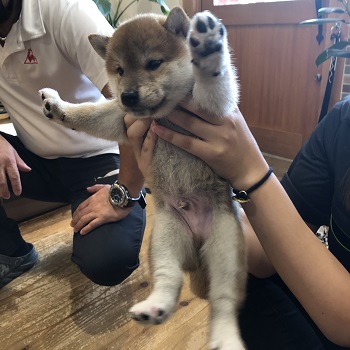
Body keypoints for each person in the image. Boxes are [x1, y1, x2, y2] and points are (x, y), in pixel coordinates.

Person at [124, 97, 350, 349]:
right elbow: (269, 256)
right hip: (327, 307)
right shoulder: (342, 120)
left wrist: (251, 174)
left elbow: (345, 326)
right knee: (246, 274)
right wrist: (194, 203)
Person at [0, 0, 146, 289]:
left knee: (107, 260)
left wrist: (126, 192)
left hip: (99, 157)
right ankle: (12, 253)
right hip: (34, 161)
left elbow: (137, 106)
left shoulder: (65, 10)